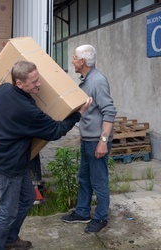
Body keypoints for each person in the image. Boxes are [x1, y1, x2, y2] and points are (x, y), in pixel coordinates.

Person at [0, 60, 92, 250]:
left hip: (14, 159)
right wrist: (78, 114)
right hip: (11, 164)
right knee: (8, 211)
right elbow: (55, 131)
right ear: (19, 84)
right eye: (34, 82)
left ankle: (10, 239)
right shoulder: (26, 110)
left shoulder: (4, 90)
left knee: (28, 197)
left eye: (38, 79)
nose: (39, 84)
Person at [61, 45, 117, 233]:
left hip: (96, 141)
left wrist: (103, 141)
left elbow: (109, 111)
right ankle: (83, 212)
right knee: (84, 178)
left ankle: (101, 217)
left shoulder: (97, 81)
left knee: (99, 181)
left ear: (82, 61)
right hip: (88, 140)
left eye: (75, 57)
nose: (73, 60)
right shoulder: (87, 80)